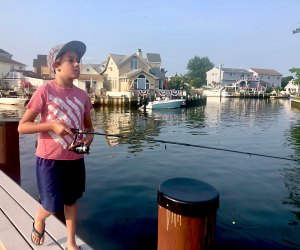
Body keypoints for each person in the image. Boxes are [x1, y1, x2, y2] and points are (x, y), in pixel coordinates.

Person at [18, 40, 94, 250]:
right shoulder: (45, 91)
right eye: (71, 60)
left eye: (78, 60)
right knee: (51, 205)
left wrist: (87, 140)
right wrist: (52, 125)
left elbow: (89, 128)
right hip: (49, 160)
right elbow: (22, 127)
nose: (77, 64)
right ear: (56, 65)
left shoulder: (83, 96)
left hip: (75, 159)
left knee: (71, 201)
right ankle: (40, 219)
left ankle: (70, 243)